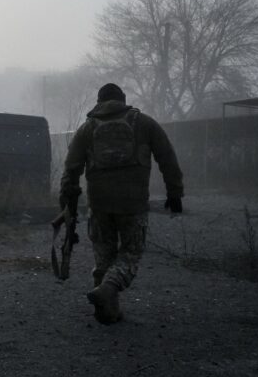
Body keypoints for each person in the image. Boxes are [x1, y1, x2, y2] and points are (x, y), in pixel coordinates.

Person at [59, 83, 184, 324]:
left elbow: (71, 168)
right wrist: (175, 192)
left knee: (104, 255)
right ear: (123, 100)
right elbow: (166, 156)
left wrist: (68, 203)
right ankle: (109, 289)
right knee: (131, 252)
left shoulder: (87, 128)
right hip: (133, 202)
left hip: (99, 203)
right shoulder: (145, 123)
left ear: (99, 101)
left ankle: (107, 311)